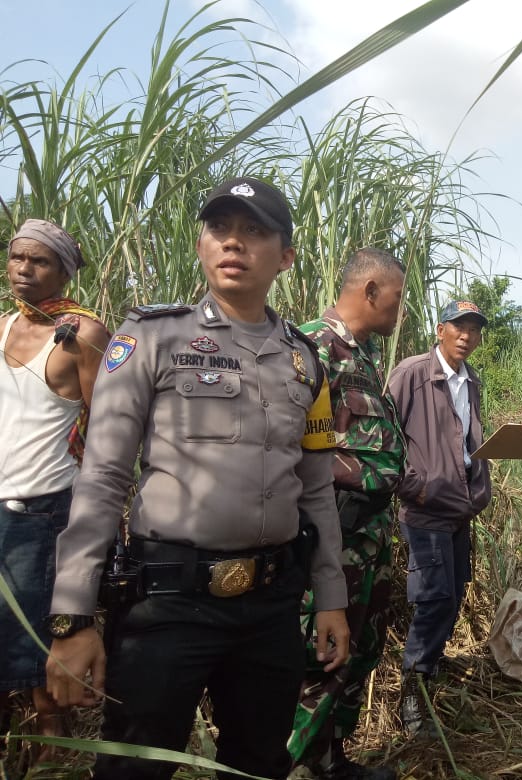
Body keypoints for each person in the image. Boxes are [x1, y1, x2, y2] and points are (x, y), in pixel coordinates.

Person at [45, 176, 350, 780]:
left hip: (270, 606)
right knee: (135, 767)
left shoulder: (304, 359)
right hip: (167, 604)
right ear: (200, 245)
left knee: (260, 764)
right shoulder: (150, 338)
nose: (233, 243)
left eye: (254, 231)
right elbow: (103, 476)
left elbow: (316, 486)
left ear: (286, 256)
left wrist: (331, 597)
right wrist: (73, 616)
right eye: (220, 229)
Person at [290, 247, 406, 780]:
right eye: (397, 299)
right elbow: (293, 444)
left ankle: (330, 760)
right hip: (333, 534)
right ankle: (288, 763)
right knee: (324, 657)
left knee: (360, 650)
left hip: (370, 534)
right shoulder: (313, 344)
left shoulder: (363, 356)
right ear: (372, 292)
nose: (399, 311)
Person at [0, 219, 109, 753]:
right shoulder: (0, 325)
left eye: (39, 261)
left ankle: (52, 743)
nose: (23, 269)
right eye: (17, 257)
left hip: (42, 508)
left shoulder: (83, 335)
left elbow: (107, 426)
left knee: (43, 632)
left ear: (65, 271)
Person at [388, 300, 492, 736]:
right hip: (426, 511)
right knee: (434, 600)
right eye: (458, 327)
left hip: (461, 509)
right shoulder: (413, 373)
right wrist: (420, 485)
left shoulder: (473, 383)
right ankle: (411, 693)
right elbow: (384, 437)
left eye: (473, 329)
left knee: (453, 594)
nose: (466, 335)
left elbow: (468, 442)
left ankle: (428, 670)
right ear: (440, 329)